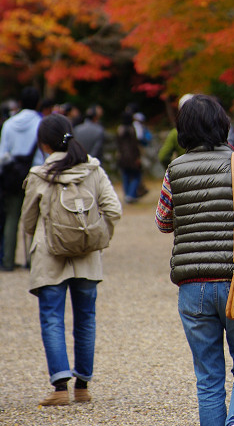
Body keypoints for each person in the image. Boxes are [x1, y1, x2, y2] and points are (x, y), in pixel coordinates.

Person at [155, 94, 234, 426]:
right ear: (222, 124)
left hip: (192, 287)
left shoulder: (175, 169)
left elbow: (163, 221)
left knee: (208, 376)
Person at [21, 113, 122, 406]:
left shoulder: (39, 175)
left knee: (52, 318)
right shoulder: (93, 170)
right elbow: (113, 210)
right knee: (86, 319)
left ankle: (60, 389)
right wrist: (96, 238)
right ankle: (83, 387)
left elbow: (28, 222)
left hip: (49, 257)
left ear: (43, 143)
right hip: (88, 257)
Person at [0, 86, 44, 271]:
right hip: (36, 174)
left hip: (11, 177)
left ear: (20, 103)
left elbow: (2, 155)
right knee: (36, 217)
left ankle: (8, 260)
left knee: (11, 218)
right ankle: (33, 261)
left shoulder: (9, 124)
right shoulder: (42, 123)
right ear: (38, 102)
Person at [159, 94, 194, 168]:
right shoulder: (208, 130)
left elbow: (163, 156)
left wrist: (173, 168)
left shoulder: (175, 133)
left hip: (183, 171)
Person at [117, 112, 142, 204]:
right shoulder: (132, 129)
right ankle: (131, 195)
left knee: (125, 176)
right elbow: (134, 145)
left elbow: (118, 144)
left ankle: (127, 195)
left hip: (122, 157)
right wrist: (138, 157)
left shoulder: (120, 129)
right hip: (132, 157)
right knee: (136, 176)